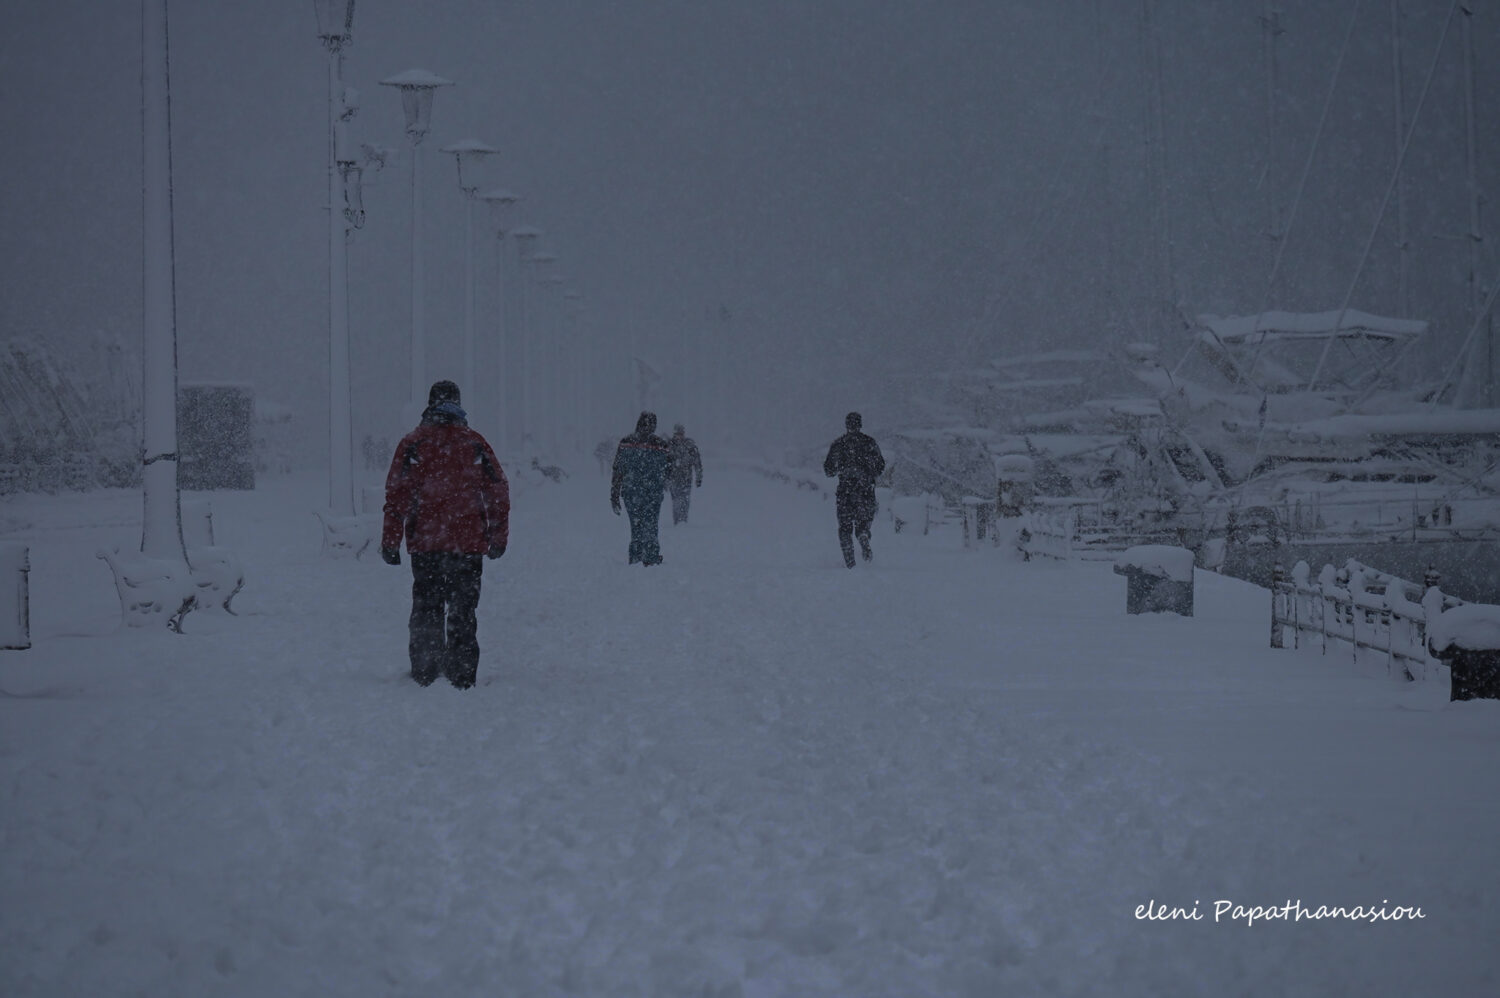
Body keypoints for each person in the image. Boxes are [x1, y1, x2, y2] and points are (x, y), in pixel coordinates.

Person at [381, 380, 510, 689]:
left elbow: (397, 494)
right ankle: (462, 675)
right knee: (463, 610)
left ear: (429, 404)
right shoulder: (475, 443)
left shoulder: (413, 443)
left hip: (427, 544)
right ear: (458, 404)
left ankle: (425, 672)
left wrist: (390, 540)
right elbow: (497, 492)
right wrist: (498, 536)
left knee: (426, 608)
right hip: (467, 545)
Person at [823, 411, 886, 568]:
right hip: (865, 490)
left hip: (845, 491)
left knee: (845, 527)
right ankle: (863, 534)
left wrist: (841, 468)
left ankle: (850, 562)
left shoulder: (838, 444)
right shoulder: (870, 442)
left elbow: (828, 470)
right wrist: (868, 473)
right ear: (860, 424)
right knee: (863, 521)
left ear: (846, 425)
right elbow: (880, 467)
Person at [610, 411, 674, 565]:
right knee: (651, 525)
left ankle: (636, 555)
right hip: (652, 492)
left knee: (636, 525)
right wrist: (663, 480)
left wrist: (615, 493)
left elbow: (618, 469)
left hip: (631, 492)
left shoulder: (626, 442)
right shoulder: (661, 444)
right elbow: (669, 468)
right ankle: (650, 556)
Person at [665, 423, 704, 525]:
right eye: (677, 434)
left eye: (681, 433)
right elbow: (664, 464)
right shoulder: (669, 446)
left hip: (686, 479)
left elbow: (697, 463)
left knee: (685, 501)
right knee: (676, 501)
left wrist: (698, 477)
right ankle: (677, 521)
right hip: (673, 479)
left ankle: (683, 520)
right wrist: (664, 479)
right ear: (674, 434)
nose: (679, 436)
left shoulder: (690, 446)